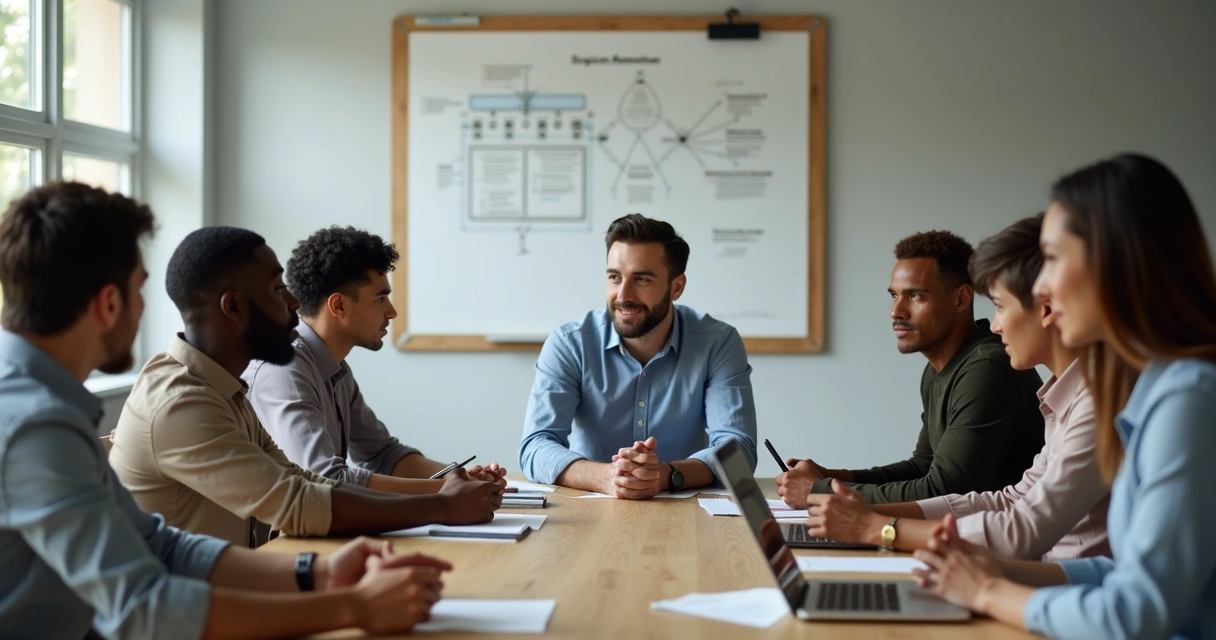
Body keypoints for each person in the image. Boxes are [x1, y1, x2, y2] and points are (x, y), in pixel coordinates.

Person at [0, 182, 449, 639]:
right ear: (109, 303)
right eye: (140, 289)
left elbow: (160, 545)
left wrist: (316, 576)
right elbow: (141, 608)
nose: (295, 304)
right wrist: (352, 606)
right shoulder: (38, 425)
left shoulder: (49, 404)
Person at [914, 154, 1216, 639]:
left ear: (1113, 260)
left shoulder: (1191, 398)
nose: (1044, 287)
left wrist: (989, 593)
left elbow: (1133, 614)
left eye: (1052, 258)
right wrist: (987, 575)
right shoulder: (1159, 386)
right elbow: (1119, 575)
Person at [109, 226, 502, 548]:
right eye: (277, 290)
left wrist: (449, 488)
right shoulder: (183, 403)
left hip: (223, 591)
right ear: (233, 308)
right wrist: (441, 503)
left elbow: (305, 482)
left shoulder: (224, 388)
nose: (295, 302)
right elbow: (300, 502)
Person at [803, 214, 1110, 561]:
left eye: (999, 306)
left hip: (1066, 586)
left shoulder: (1095, 401)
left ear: (1047, 308)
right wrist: (856, 505)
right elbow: (1009, 499)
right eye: (894, 296)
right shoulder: (1063, 398)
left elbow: (1022, 530)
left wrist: (876, 526)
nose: (994, 325)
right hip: (1047, 574)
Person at [775, 231, 1045, 505]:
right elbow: (923, 466)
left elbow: (943, 491)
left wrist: (820, 491)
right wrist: (828, 477)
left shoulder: (987, 368)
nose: (896, 311)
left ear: (961, 299)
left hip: (1010, 542)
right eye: (894, 295)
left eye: (915, 295)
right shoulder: (938, 369)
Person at [244, 226, 507, 494]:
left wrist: (459, 477)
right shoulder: (284, 369)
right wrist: (443, 492)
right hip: (282, 536)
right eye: (381, 299)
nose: (392, 312)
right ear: (339, 306)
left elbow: (383, 455)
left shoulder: (336, 368)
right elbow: (323, 479)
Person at [518, 213, 758, 498]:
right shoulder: (570, 343)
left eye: (642, 279)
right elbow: (535, 446)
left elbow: (738, 451)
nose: (623, 294)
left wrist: (667, 476)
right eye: (614, 277)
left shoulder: (717, 343)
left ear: (676, 287)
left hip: (686, 515)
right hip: (589, 511)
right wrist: (605, 477)